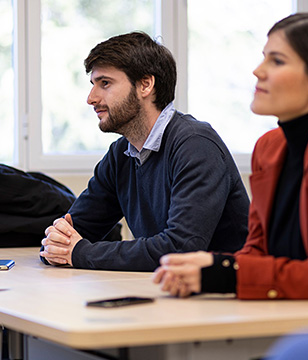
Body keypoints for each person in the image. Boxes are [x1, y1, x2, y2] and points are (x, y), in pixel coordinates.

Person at [153, 13, 308, 299]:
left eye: (276, 61)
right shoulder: (269, 147)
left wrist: (227, 273)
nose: (258, 71)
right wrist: (208, 269)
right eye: (264, 57)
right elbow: (258, 250)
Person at [39, 32, 250, 271]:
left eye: (105, 83)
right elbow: (70, 234)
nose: (91, 98)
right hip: (162, 291)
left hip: (223, 300)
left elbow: (179, 250)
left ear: (145, 85)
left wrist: (80, 252)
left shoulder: (196, 145)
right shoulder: (122, 154)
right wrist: (55, 245)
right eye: (93, 85)